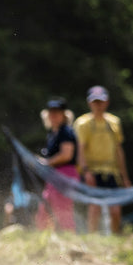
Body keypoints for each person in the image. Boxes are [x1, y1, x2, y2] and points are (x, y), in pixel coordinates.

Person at [73, 85, 131, 235]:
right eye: (95, 102)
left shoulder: (114, 122)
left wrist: (124, 177)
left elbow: (119, 150)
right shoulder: (83, 123)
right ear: (89, 103)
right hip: (92, 171)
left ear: (107, 102)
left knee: (115, 209)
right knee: (94, 207)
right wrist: (86, 172)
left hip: (112, 172)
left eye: (101, 101)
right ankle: (92, 238)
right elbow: (80, 149)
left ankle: (116, 238)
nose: (98, 105)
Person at [35, 97, 78, 233]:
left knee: (63, 211)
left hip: (65, 174)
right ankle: (47, 240)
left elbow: (67, 154)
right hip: (53, 177)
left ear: (64, 114)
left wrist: (46, 162)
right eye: (51, 112)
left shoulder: (66, 131)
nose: (53, 115)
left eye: (57, 112)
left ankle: (70, 242)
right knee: (44, 211)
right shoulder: (53, 133)